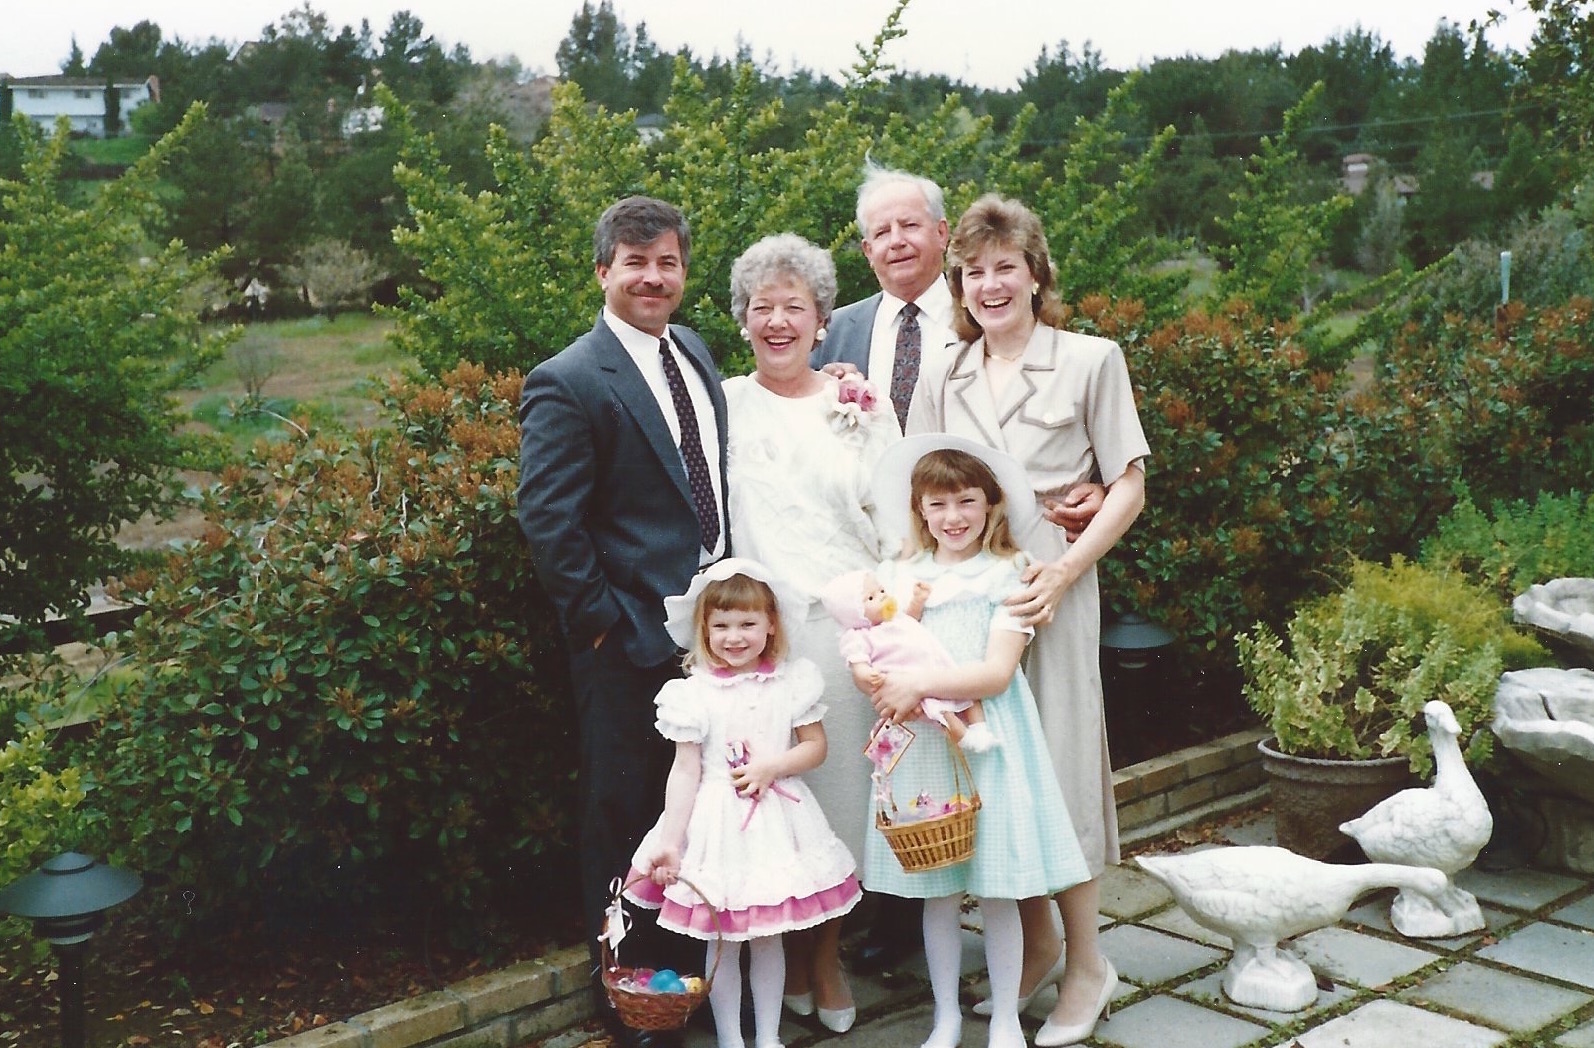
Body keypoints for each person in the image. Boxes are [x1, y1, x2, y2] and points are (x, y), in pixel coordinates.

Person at [813, 163, 1104, 972]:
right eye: (879, 231)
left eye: (911, 224)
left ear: (943, 237)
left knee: (1039, 762)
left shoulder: (986, 318)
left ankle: (1071, 955)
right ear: (864, 247)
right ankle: (941, 931)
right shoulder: (837, 330)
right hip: (917, 575)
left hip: (1022, 570)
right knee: (940, 755)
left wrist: (1083, 491)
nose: (896, 241)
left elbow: (1084, 454)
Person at [906, 193, 1150, 1047]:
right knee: (995, 771)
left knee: (1063, 767)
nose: (990, 284)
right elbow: (919, 485)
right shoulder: (943, 373)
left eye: (1005, 267)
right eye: (973, 271)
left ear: (1036, 274)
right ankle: (1037, 944)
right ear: (958, 285)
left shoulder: (1090, 360)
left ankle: (1089, 963)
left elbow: (1128, 485)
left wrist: (1067, 570)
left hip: (1053, 587)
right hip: (969, 604)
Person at [517, 195, 727, 1048]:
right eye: (635, 263)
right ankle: (637, 1004)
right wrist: (607, 626)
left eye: (667, 262)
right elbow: (549, 522)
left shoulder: (695, 351)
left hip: (712, 639)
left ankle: (694, 987)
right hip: (629, 644)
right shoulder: (568, 379)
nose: (653, 278)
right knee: (626, 820)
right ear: (603, 270)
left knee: (700, 816)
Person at [720, 232, 899, 1032]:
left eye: (795, 306)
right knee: (768, 809)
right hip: (755, 642)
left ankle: (823, 960)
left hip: (843, 635)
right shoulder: (723, 405)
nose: (779, 321)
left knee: (838, 811)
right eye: (763, 307)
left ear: (822, 320)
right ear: (743, 320)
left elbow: (895, 521)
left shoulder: (859, 405)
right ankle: (778, 959)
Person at [862, 435, 1092, 1048]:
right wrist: (877, 679)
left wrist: (917, 682)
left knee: (997, 886)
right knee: (938, 890)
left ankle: (1008, 1019)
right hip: (922, 744)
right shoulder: (898, 577)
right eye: (937, 505)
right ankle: (945, 1016)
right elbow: (874, 651)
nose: (953, 517)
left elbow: (995, 673)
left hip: (990, 739)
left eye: (966, 501)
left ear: (991, 505)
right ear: (919, 510)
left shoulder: (1007, 574)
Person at [624, 559, 862, 1048]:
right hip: (716, 828)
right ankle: (732, 1039)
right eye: (722, 626)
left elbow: (815, 747)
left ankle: (769, 1037)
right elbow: (685, 770)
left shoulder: (792, 682)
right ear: (704, 629)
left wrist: (772, 767)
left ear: (771, 624)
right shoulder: (692, 693)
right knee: (722, 942)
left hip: (776, 820)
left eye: (748, 624)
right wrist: (670, 841)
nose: (735, 637)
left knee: (768, 937)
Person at [818, 568, 996, 752]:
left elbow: (911, 619)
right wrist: (868, 674)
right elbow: (857, 663)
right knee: (941, 711)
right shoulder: (859, 636)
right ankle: (964, 738)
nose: (881, 596)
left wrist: (917, 601)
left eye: (881, 590)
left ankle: (980, 729)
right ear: (853, 613)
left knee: (966, 692)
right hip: (907, 680)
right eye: (870, 598)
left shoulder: (894, 618)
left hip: (936, 666)